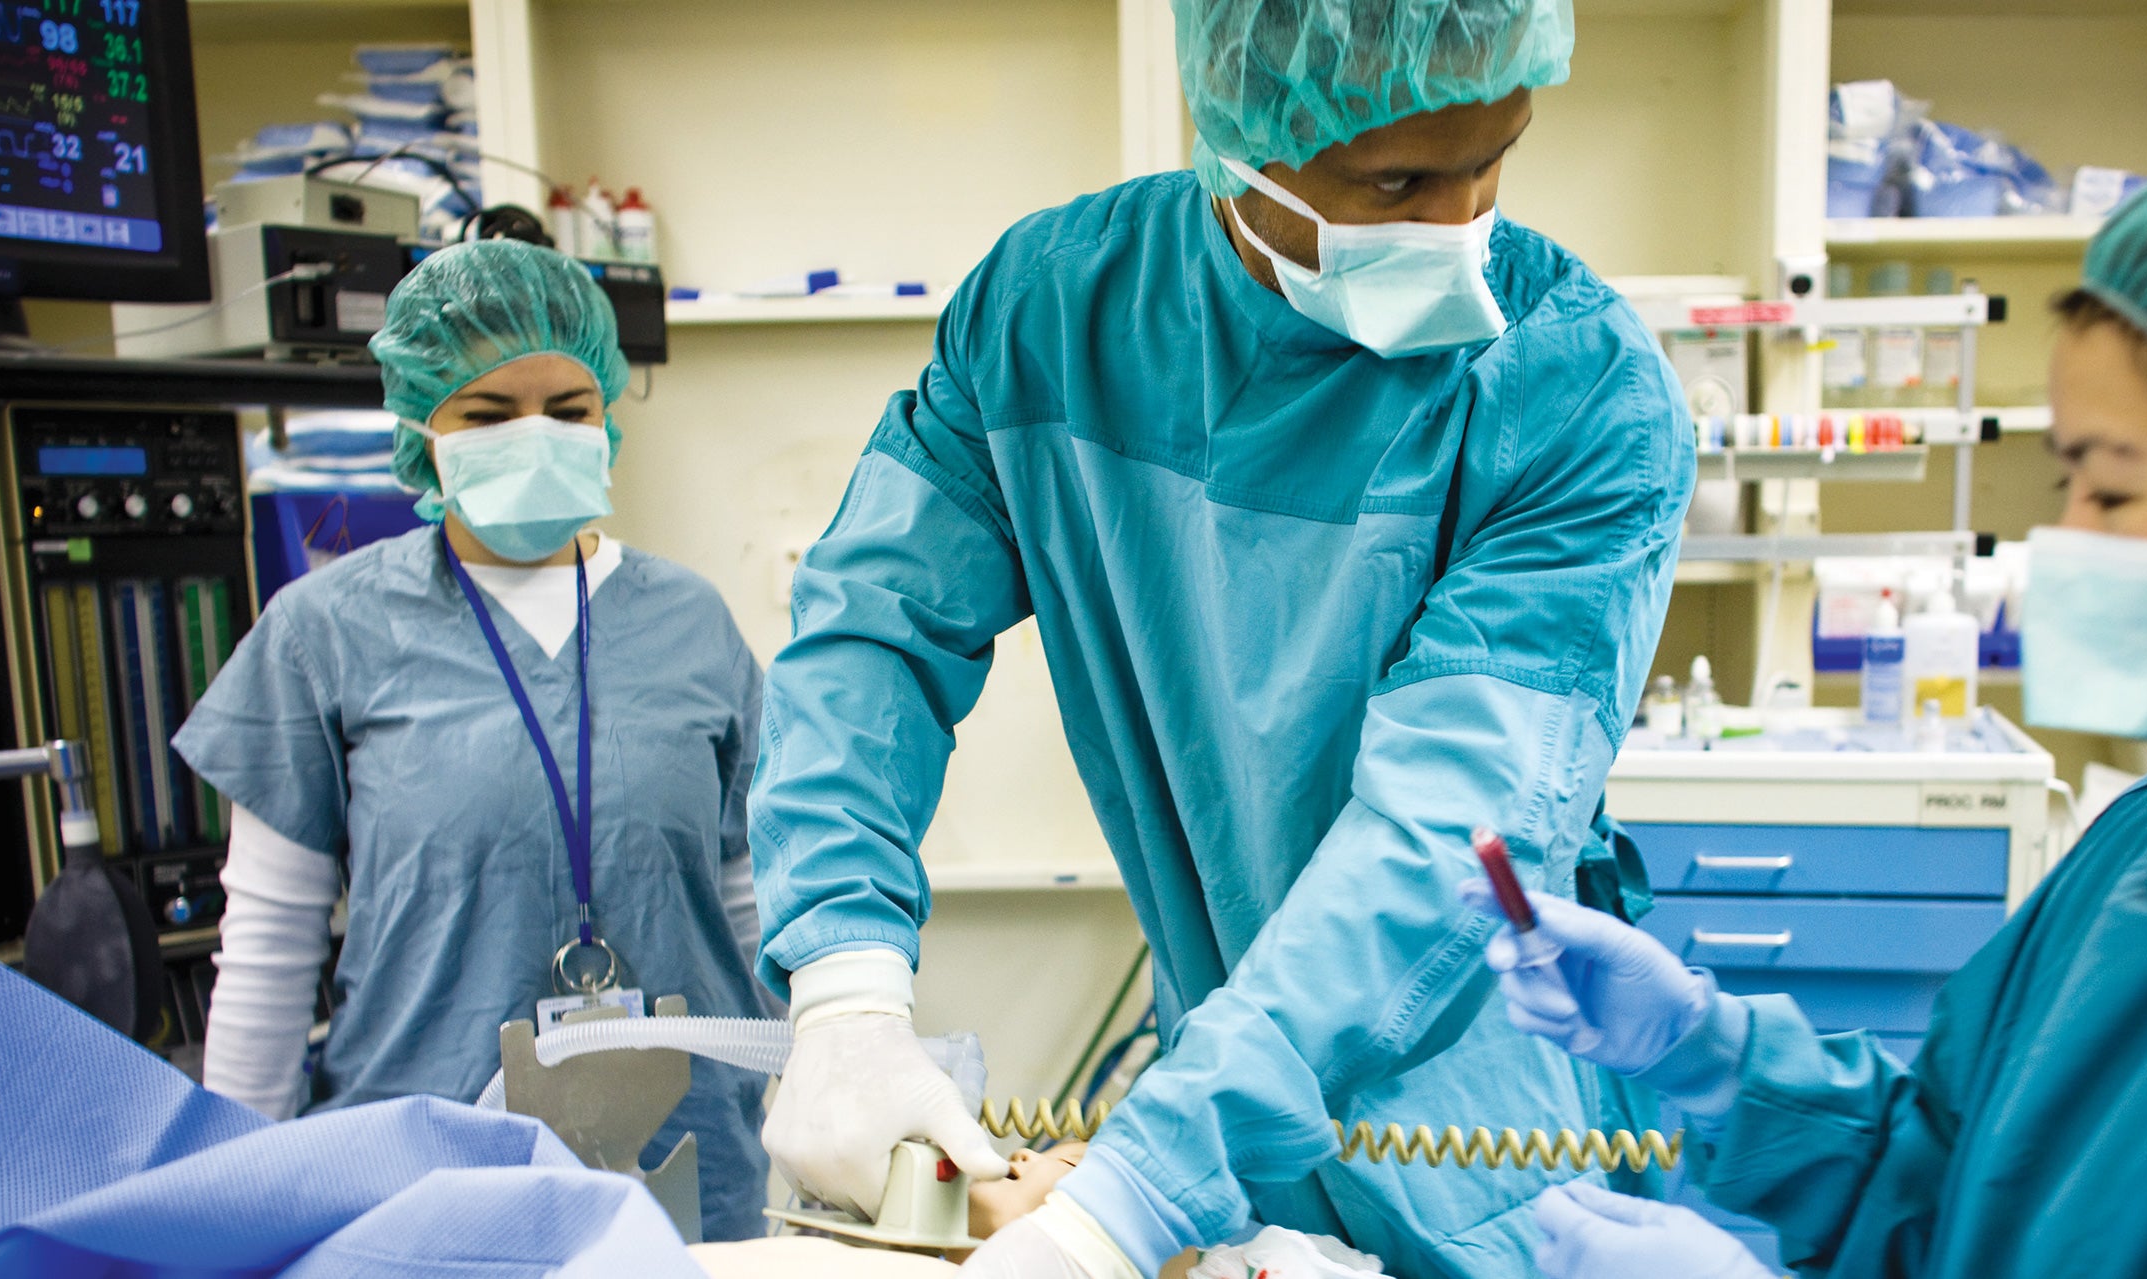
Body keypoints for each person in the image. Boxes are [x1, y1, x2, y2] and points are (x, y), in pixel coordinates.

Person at [1469, 125, 2147, 1278]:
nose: (2064, 545)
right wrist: (1706, 1050)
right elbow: (1957, 1171)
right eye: (2064, 481)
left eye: (2114, 488)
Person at [746, 1, 1693, 1277]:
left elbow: (1451, 835)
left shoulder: (1572, 384)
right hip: (1217, 1114)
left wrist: (1130, 1199)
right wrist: (844, 982)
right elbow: (871, 633)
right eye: (1397, 179)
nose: (1458, 228)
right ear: (1246, 128)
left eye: (1496, 159)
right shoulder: (1053, 319)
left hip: (1482, 1129)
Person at [174, 237, 778, 1242]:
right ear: (422, 427)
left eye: (567, 412)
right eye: (489, 416)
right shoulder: (325, 631)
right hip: (413, 1167)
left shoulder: (690, 620)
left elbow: (743, 907)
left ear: (606, 419)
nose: (533, 438)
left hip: (687, 1164)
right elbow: (271, 952)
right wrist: (230, 1202)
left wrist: (809, 1083)